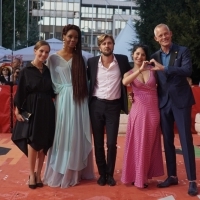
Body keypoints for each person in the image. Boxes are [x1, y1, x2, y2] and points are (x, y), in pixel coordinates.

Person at [43, 24, 94, 188]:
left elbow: (86, 82)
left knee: (76, 134)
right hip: (62, 100)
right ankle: (60, 170)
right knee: (62, 134)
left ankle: (75, 171)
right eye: (70, 36)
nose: (73, 40)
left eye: (76, 37)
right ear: (63, 36)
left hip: (79, 101)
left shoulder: (81, 58)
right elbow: (50, 82)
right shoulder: (52, 58)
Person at [150, 23, 198, 196]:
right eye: (160, 36)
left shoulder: (182, 51)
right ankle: (172, 176)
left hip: (181, 102)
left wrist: (165, 68)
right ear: (156, 39)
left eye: (166, 34)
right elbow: (151, 79)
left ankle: (192, 180)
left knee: (186, 140)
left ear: (170, 34)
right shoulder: (154, 56)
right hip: (163, 103)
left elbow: (187, 70)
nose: (164, 37)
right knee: (167, 141)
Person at [87, 34, 131, 186]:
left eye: (110, 43)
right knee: (98, 143)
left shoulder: (123, 60)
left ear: (113, 45)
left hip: (114, 107)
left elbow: (133, 75)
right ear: (99, 47)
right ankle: (102, 174)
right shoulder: (92, 62)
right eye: (104, 43)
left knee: (111, 143)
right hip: (96, 106)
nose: (107, 46)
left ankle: (110, 174)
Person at [11, 40, 55, 189]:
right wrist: (17, 109)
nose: (44, 54)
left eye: (47, 52)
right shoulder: (26, 71)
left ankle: (38, 174)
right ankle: (31, 173)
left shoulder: (48, 70)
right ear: (35, 51)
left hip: (47, 108)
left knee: (44, 142)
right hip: (32, 106)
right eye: (41, 51)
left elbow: (52, 91)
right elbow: (20, 91)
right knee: (32, 140)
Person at [121, 44, 164, 188]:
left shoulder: (153, 71)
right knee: (138, 144)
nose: (140, 57)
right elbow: (125, 82)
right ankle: (137, 177)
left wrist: (160, 68)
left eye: (143, 55)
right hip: (138, 112)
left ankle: (144, 175)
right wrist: (139, 70)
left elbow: (163, 85)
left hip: (153, 111)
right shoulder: (129, 73)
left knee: (149, 145)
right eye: (137, 54)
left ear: (147, 57)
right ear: (133, 55)